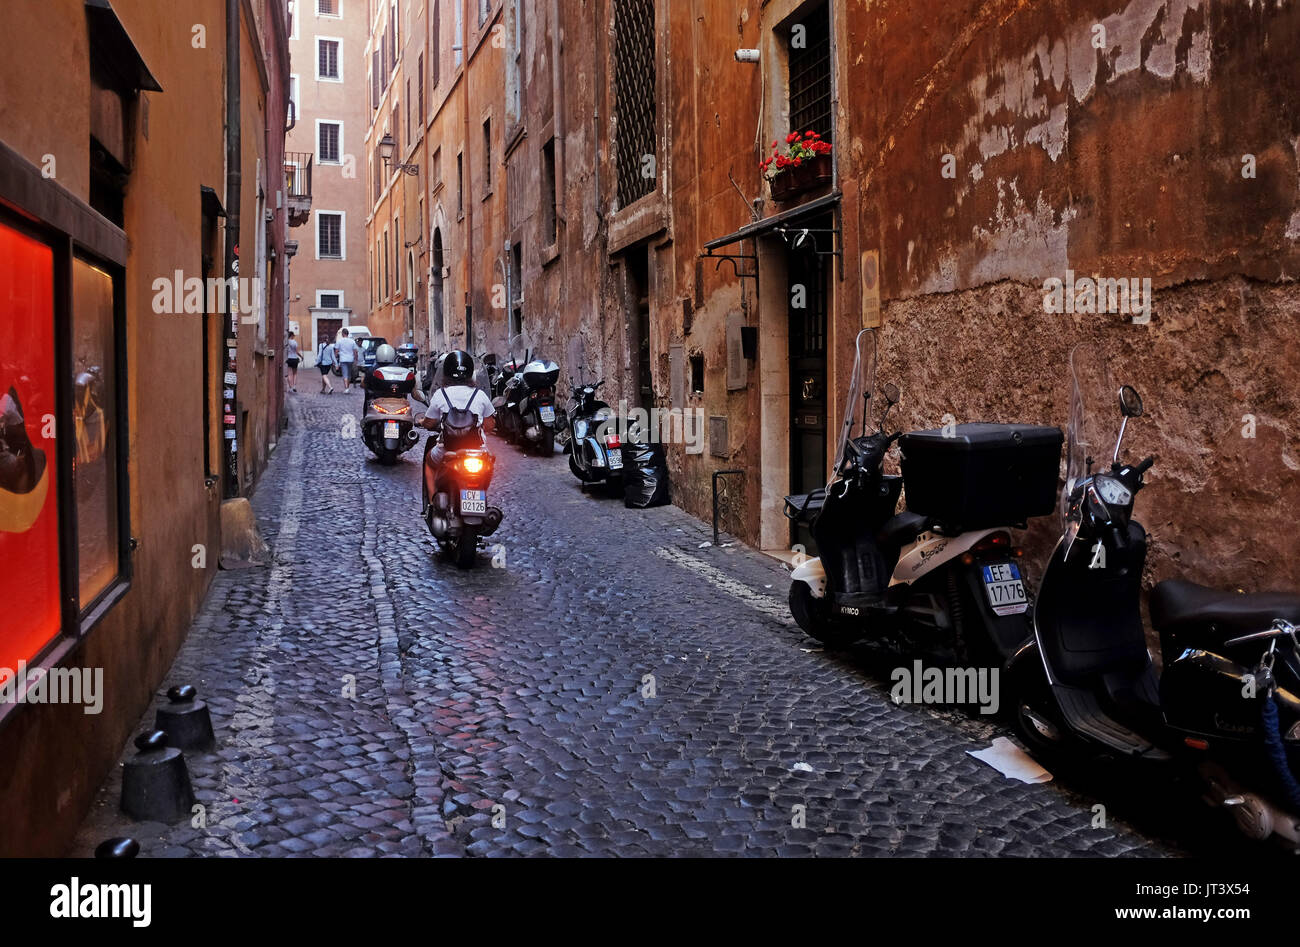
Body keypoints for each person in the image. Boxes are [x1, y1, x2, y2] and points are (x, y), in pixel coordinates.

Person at [420, 350, 494, 497]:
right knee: (489, 466)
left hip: (448, 450)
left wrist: (422, 421)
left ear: (445, 373)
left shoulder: (440, 394)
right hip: (478, 451)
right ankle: (481, 494)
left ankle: (433, 502)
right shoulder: (480, 395)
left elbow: (429, 423)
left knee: (429, 463)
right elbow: (490, 424)